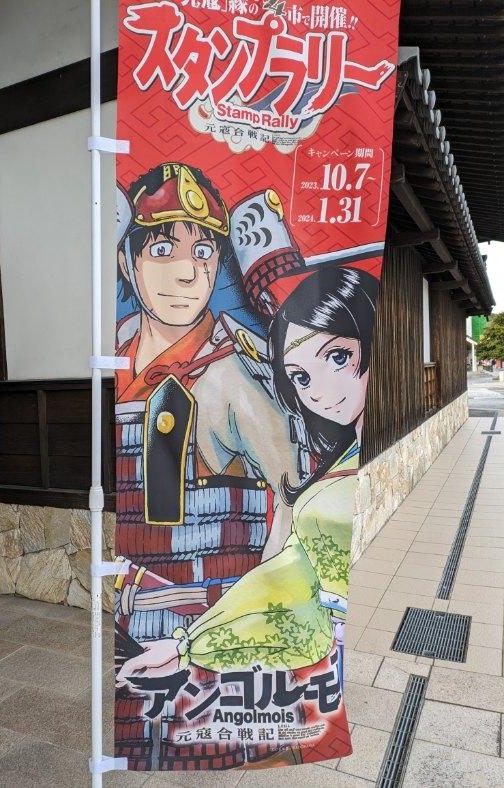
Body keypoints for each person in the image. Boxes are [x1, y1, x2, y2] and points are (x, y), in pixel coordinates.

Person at [117, 266, 378, 763]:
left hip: (308, 636)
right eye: (300, 377)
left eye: (338, 357)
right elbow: (284, 576)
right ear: (130, 264)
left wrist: (190, 643)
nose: (319, 392)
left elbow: (285, 551)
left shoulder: (231, 374)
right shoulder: (334, 462)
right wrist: (186, 646)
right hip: (290, 629)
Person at [113, 162, 301, 770]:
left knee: (204, 746)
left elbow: (295, 505)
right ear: (128, 263)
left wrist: (242, 626)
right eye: (162, 249)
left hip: (205, 635)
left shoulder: (231, 375)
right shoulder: (113, 357)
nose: (186, 272)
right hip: (127, 623)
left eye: (203, 252)